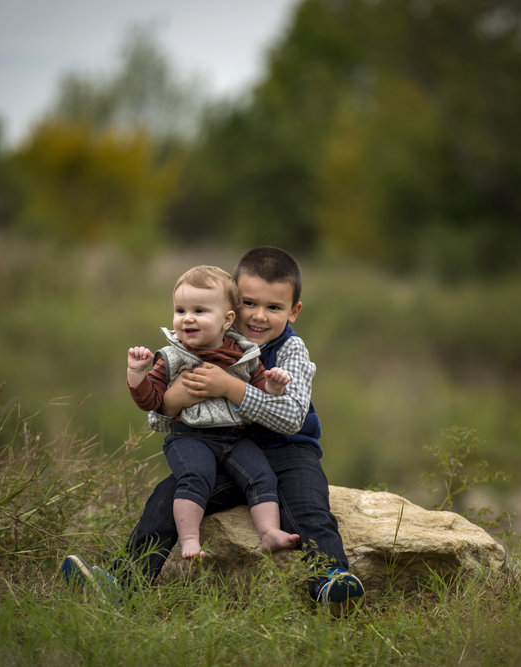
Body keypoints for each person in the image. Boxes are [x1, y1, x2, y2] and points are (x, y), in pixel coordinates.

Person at [63, 247, 364, 615]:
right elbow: (159, 419)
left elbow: (292, 418)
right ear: (232, 303)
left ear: (294, 311)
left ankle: (332, 582)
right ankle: (122, 584)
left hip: (288, 451)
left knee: (308, 506)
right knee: (168, 495)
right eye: (250, 303)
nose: (258, 315)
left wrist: (229, 387)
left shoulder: (291, 350)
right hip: (230, 450)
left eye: (274, 307)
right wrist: (172, 400)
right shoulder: (204, 341)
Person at [126, 264, 300, 559]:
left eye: (199, 311)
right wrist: (136, 375)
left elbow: (258, 395)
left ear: (227, 320)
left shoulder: (245, 356)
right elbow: (150, 402)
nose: (187, 319)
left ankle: (269, 532)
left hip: (235, 438)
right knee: (196, 475)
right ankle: (190, 539)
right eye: (180, 311)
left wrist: (273, 387)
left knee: (262, 475)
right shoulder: (171, 357)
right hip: (190, 437)